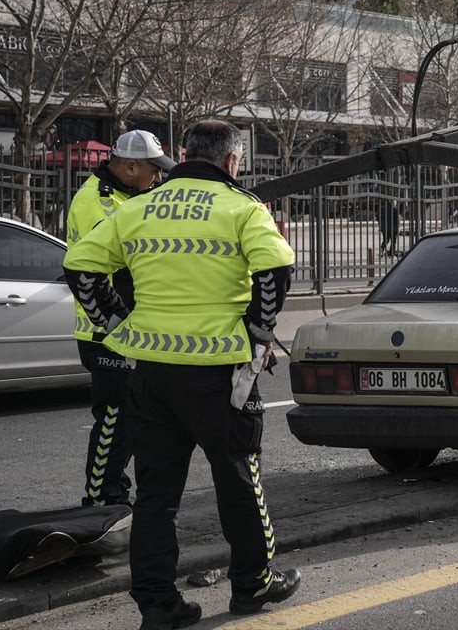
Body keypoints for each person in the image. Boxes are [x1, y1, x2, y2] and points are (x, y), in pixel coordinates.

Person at [63, 120, 299, 630]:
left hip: (150, 374)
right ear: (232, 160)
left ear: (186, 153)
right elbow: (277, 269)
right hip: (221, 376)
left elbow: (80, 265)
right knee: (239, 479)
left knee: (155, 495)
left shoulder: (140, 208)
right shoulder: (242, 208)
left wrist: (112, 322)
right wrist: (259, 331)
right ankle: (253, 583)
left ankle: (157, 604)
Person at [66, 130, 175, 507]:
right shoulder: (97, 202)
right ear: (130, 167)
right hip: (105, 330)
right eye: (153, 170)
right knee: (114, 419)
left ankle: (117, 492)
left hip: (128, 328)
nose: (157, 178)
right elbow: (114, 263)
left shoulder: (126, 194)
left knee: (135, 416)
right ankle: (100, 497)